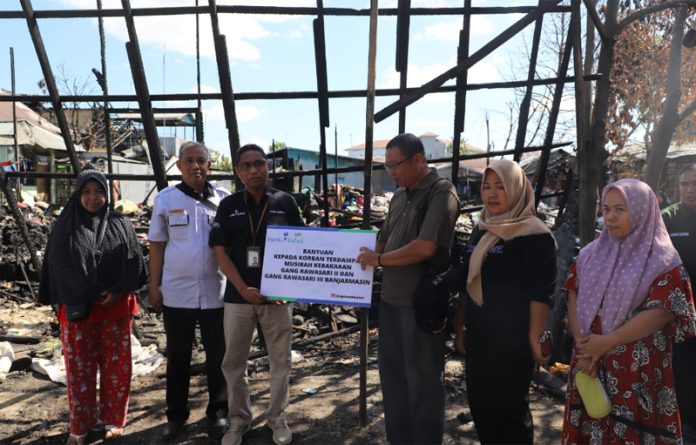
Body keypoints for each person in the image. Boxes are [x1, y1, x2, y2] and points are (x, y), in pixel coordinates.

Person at [562, 178, 696, 444]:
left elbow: (662, 312)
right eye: (606, 209)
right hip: (590, 364)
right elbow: (573, 293)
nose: (610, 217)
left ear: (641, 211)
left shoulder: (663, 260)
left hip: (638, 374)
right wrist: (585, 347)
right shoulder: (590, 254)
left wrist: (607, 342)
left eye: (620, 210)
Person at [357, 133, 459, 445]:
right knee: (394, 380)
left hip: (420, 305)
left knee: (424, 383)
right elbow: (383, 239)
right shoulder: (399, 196)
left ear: (418, 159)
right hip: (391, 301)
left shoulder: (441, 191)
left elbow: (426, 246)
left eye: (395, 165)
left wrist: (379, 260)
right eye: (387, 166)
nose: (391, 172)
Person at [451, 159, 556, 444]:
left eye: (500, 186)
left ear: (517, 189)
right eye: (487, 187)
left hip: (513, 341)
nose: (492, 194)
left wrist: (535, 337)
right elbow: (468, 281)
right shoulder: (482, 229)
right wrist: (460, 326)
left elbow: (541, 291)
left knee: (509, 411)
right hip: (479, 336)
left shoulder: (534, 235)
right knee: (481, 406)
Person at [39, 169, 147, 445]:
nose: (93, 197)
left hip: (116, 308)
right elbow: (59, 267)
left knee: (117, 368)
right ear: (77, 194)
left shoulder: (120, 223)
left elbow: (134, 260)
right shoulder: (65, 226)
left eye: (99, 191)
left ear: (107, 194)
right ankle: (80, 426)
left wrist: (117, 291)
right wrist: (92, 294)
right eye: (86, 192)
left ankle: (114, 420)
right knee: (79, 373)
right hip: (80, 310)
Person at [210, 144, 304, 445]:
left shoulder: (285, 202)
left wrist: (289, 286)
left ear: (268, 167)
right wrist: (242, 288)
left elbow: (303, 245)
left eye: (259, 163)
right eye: (246, 165)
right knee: (234, 362)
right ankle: (239, 420)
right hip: (239, 297)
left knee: (280, 360)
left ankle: (277, 418)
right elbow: (220, 252)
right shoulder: (229, 205)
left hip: (277, 298)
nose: (254, 170)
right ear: (238, 171)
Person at [148, 141, 230, 440]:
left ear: (209, 165)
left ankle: (218, 413)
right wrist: (153, 286)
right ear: (179, 166)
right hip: (177, 292)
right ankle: (176, 415)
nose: (196, 166)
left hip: (215, 291)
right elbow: (157, 245)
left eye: (201, 160)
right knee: (178, 356)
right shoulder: (166, 199)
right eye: (189, 160)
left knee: (218, 356)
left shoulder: (224, 199)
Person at [662, 163, 696, 439]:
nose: (690, 190)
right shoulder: (669, 218)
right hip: (681, 310)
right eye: (685, 184)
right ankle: (685, 425)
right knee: (683, 368)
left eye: (695, 184)